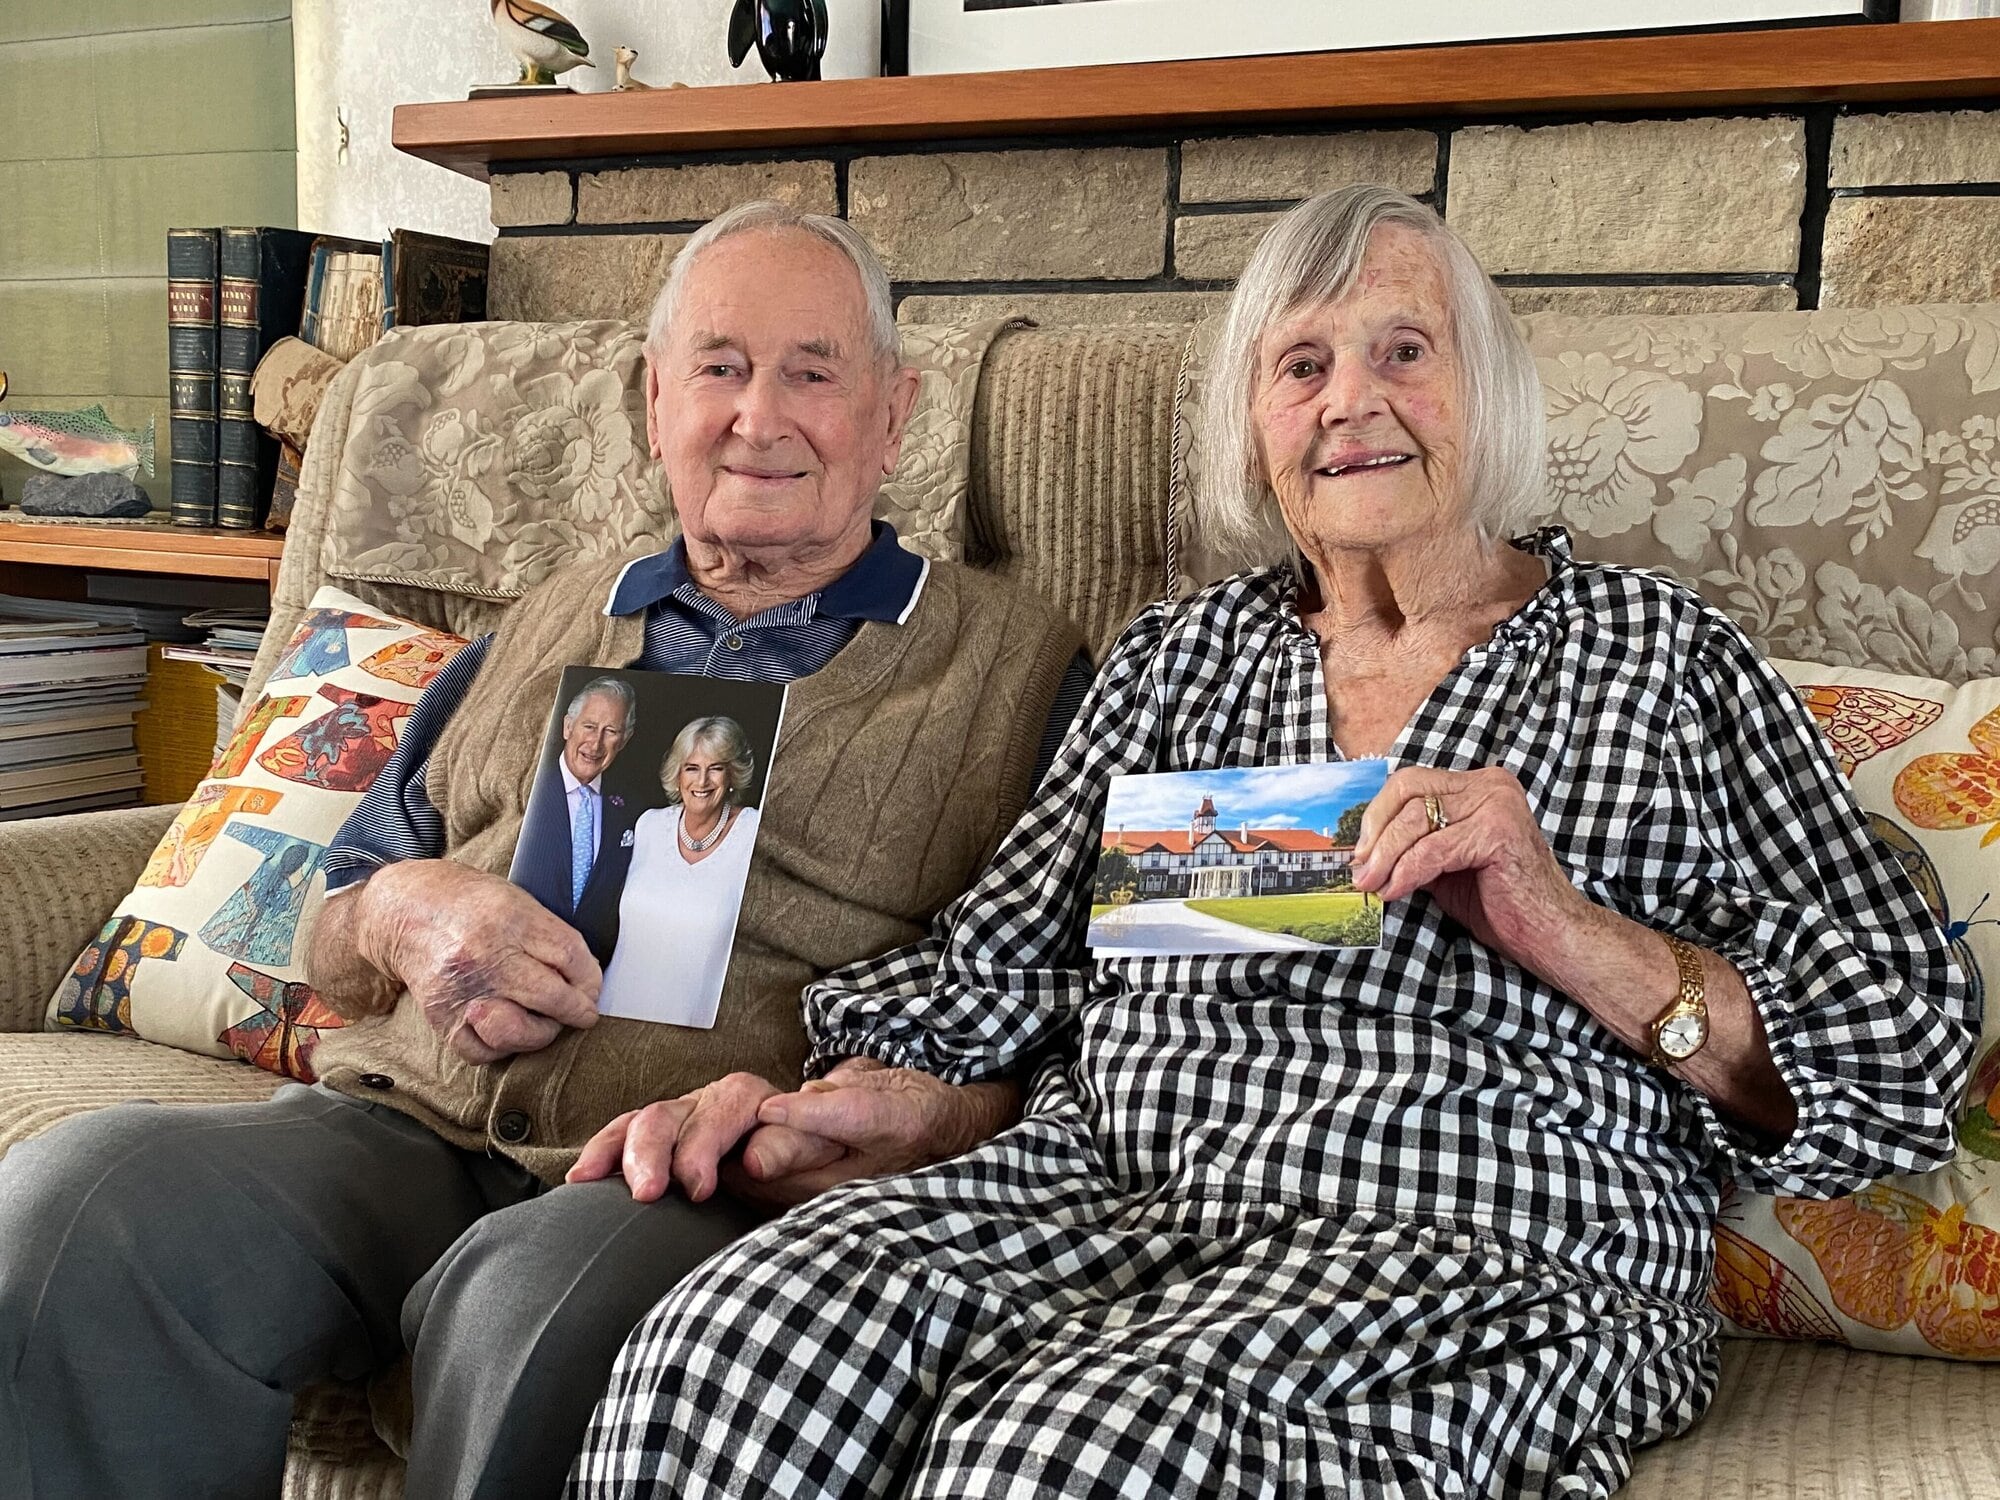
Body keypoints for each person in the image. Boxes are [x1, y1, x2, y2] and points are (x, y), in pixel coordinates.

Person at [568, 186, 1977, 1500]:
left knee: (1063, 1456)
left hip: (1483, 1244)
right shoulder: (1179, 666)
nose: (1350, 400)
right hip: (1113, 1199)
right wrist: (880, 1104)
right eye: (1300, 366)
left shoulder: (1657, 659)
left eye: (1403, 350)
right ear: (1254, 425)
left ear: (1488, 391)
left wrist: (1569, 929)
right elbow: (1004, 977)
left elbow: (1903, 1039)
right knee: (725, 1357)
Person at [0, 201, 1090, 1500]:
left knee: (532, 1303)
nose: (761, 414)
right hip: (394, 1128)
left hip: (683, 1177)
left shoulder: (1019, 667)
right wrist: (405, 909)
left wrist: (919, 1112)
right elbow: (331, 928)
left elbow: (1083, 1007)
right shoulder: (552, 613)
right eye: (720, 367)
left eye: (815, 371)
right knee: (84, 1197)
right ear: (653, 401)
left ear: (896, 413)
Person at [599, 716, 762, 1027]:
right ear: (677, 774)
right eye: (692, 768)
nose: (702, 782)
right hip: (614, 1007)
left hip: (693, 1025)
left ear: (732, 776)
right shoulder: (648, 825)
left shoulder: (752, 831)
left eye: (715, 768)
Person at [513, 675, 641, 964]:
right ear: (568, 726)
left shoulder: (630, 810)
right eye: (589, 726)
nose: (595, 743)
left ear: (624, 739)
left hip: (592, 976)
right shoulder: (523, 787)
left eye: (610, 731)